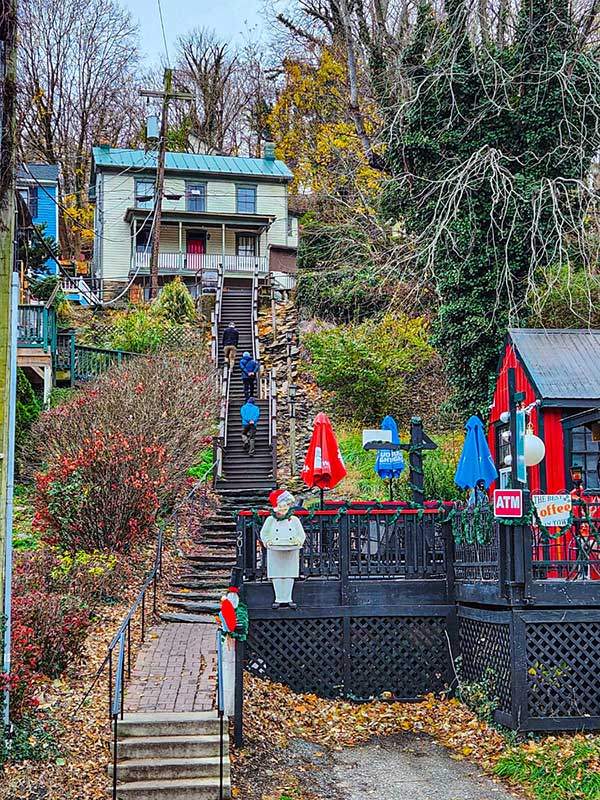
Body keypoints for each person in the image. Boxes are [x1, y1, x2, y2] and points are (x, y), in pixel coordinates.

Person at [259, 489, 306, 609]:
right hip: (275, 549)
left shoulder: (294, 520)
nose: (283, 509)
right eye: (281, 506)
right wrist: (267, 541)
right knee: (277, 574)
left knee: (289, 574)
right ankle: (278, 598)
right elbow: (264, 533)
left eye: (286, 506)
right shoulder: (271, 520)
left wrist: (298, 541)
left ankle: (288, 597)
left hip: (291, 549)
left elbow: (301, 534)